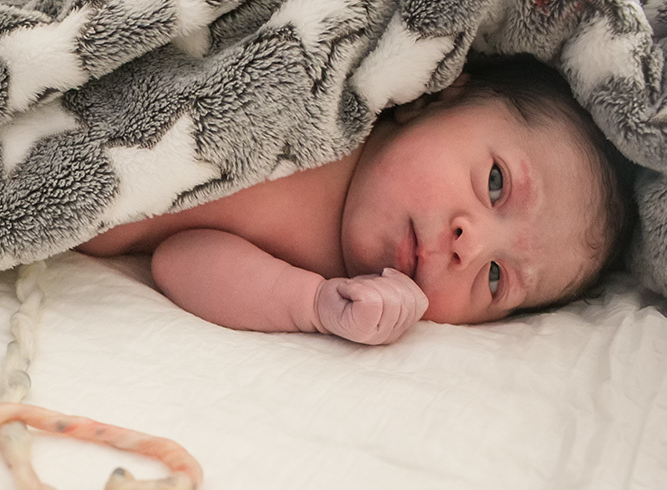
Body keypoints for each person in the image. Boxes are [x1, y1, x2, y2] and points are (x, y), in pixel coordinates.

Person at [76, 55, 637, 345]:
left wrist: (312, 304)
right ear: (441, 95)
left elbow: (179, 259)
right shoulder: (336, 87)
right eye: (496, 183)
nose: (473, 246)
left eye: (496, 280)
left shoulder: (322, 271)